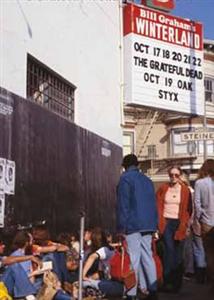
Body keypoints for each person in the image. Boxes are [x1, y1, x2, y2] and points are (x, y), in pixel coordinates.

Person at [117, 154, 158, 300]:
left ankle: (131, 293)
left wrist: (121, 228)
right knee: (148, 256)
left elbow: (124, 206)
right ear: (138, 165)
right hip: (148, 224)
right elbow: (153, 204)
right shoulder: (147, 180)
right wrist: (155, 225)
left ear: (124, 166)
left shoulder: (125, 179)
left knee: (133, 258)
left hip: (132, 224)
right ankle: (153, 290)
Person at [156, 166, 192, 293]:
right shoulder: (163, 188)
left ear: (180, 175)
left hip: (180, 223)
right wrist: (159, 224)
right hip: (166, 223)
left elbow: (189, 210)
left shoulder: (185, 190)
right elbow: (158, 205)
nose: (173, 177)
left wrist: (186, 226)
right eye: (171, 175)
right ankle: (167, 282)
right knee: (168, 252)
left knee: (178, 254)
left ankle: (177, 284)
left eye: (176, 175)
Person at [194, 159, 214, 291]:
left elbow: (197, 204)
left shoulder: (199, 183)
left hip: (207, 221)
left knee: (210, 254)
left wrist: (198, 218)